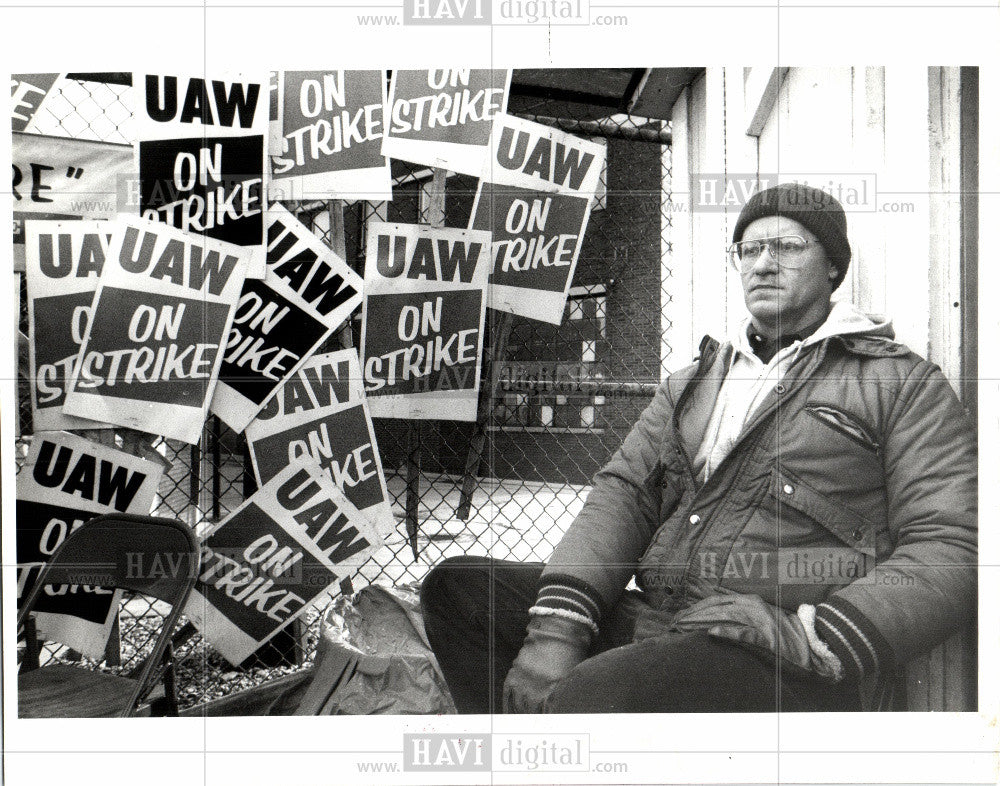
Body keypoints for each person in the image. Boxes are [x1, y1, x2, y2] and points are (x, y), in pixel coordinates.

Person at [420, 183, 977, 714]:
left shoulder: (899, 383)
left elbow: (954, 542)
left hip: (781, 652)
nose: (762, 264)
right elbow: (624, 496)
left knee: (595, 692)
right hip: (670, 621)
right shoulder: (694, 382)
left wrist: (816, 635)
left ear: (833, 265)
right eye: (749, 248)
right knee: (460, 591)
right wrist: (557, 629)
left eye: (785, 246)